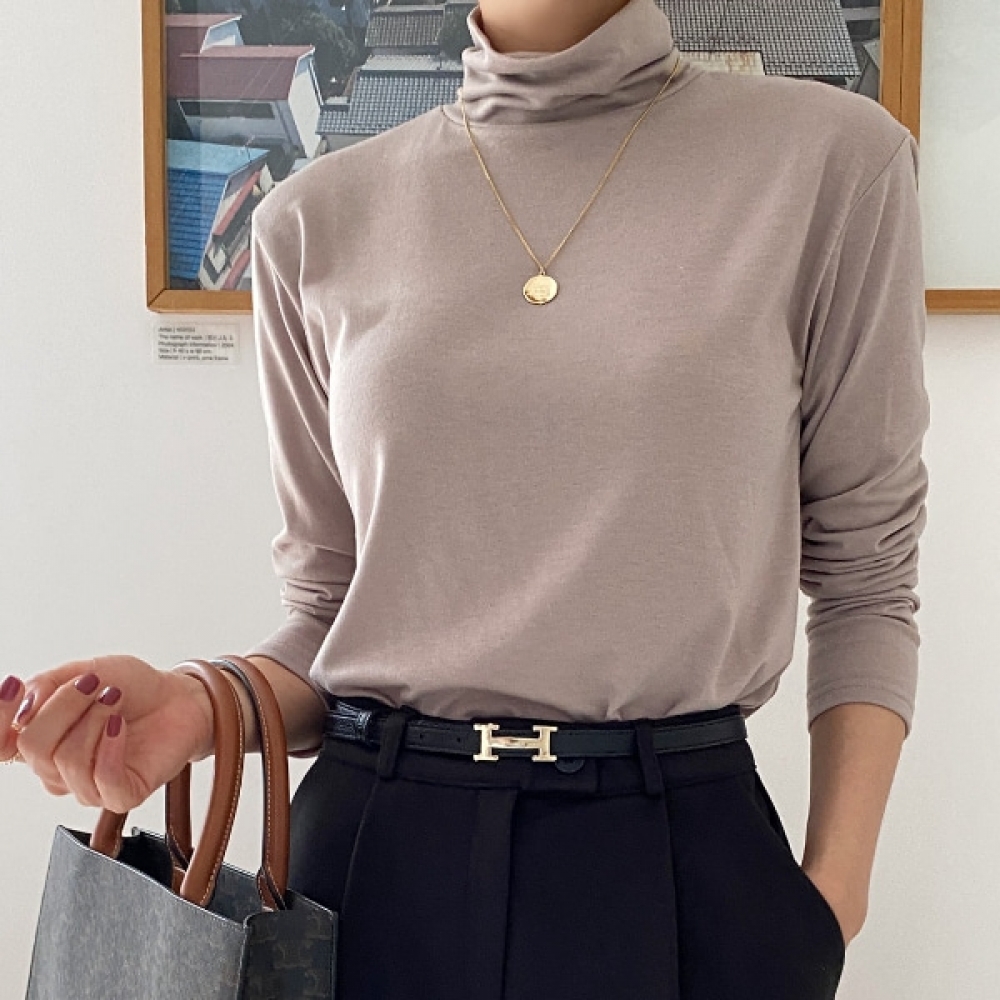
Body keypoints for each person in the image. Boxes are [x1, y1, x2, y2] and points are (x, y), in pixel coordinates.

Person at [2, 0, 930, 997]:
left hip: (681, 854)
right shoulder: (311, 220)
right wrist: (195, 703)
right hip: (372, 866)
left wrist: (831, 897)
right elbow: (330, 611)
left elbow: (868, 572)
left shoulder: (831, 163)